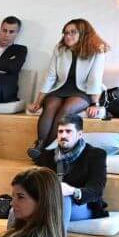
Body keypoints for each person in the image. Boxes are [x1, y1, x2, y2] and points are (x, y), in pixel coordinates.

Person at [27, 18, 109, 160]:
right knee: (50, 106)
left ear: (83, 33)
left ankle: (47, 151)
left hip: (82, 91)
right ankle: (39, 146)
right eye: (65, 33)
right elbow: (51, 76)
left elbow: (94, 78)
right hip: (61, 87)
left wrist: (95, 103)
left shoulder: (97, 50)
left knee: (66, 109)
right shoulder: (60, 49)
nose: (68, 36)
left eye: (73, 32)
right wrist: (38, 101)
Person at [31, 113, 108, 225]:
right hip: (52, 202)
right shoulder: (48, 155)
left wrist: (72, 191)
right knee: (22, 204)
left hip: (82, 205)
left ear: (79, 134)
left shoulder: (96, 155)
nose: (63, 135)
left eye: (68, 131)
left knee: (64, 199)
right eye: (60, 131)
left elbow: (96, 191)